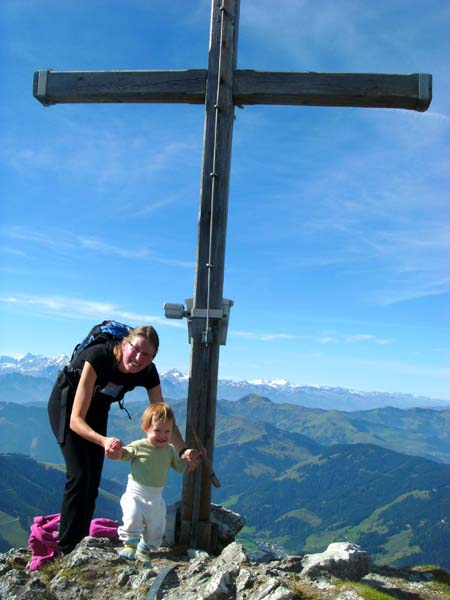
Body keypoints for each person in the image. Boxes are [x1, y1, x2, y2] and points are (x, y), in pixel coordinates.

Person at [48, 324, 198, 555]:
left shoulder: (148, 372)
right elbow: (76, 420)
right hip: (67, 406)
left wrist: (182, 450)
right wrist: (103, 441)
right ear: (124, 344)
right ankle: (66, 549)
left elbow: (164, 418)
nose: (139, 358)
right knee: (79, 475)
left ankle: (80, 543)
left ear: (153, 358)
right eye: (135, 349)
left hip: (98, 409)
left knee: (92, 479)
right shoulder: (99, 357)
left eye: (147, 355)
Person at [110, 403, 190, 567]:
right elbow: (125, 454)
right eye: (157, 430)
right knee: (132, 516)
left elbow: (179, 466)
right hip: (135, 494)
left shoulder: (169, 450)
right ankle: (130, 545)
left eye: (167, 431)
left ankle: (144, 549)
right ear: (146, 428)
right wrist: (116, 452)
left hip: (156, 497)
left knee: (157, 526)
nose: (162, 435)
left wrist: (188, 461)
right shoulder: (139, 446)